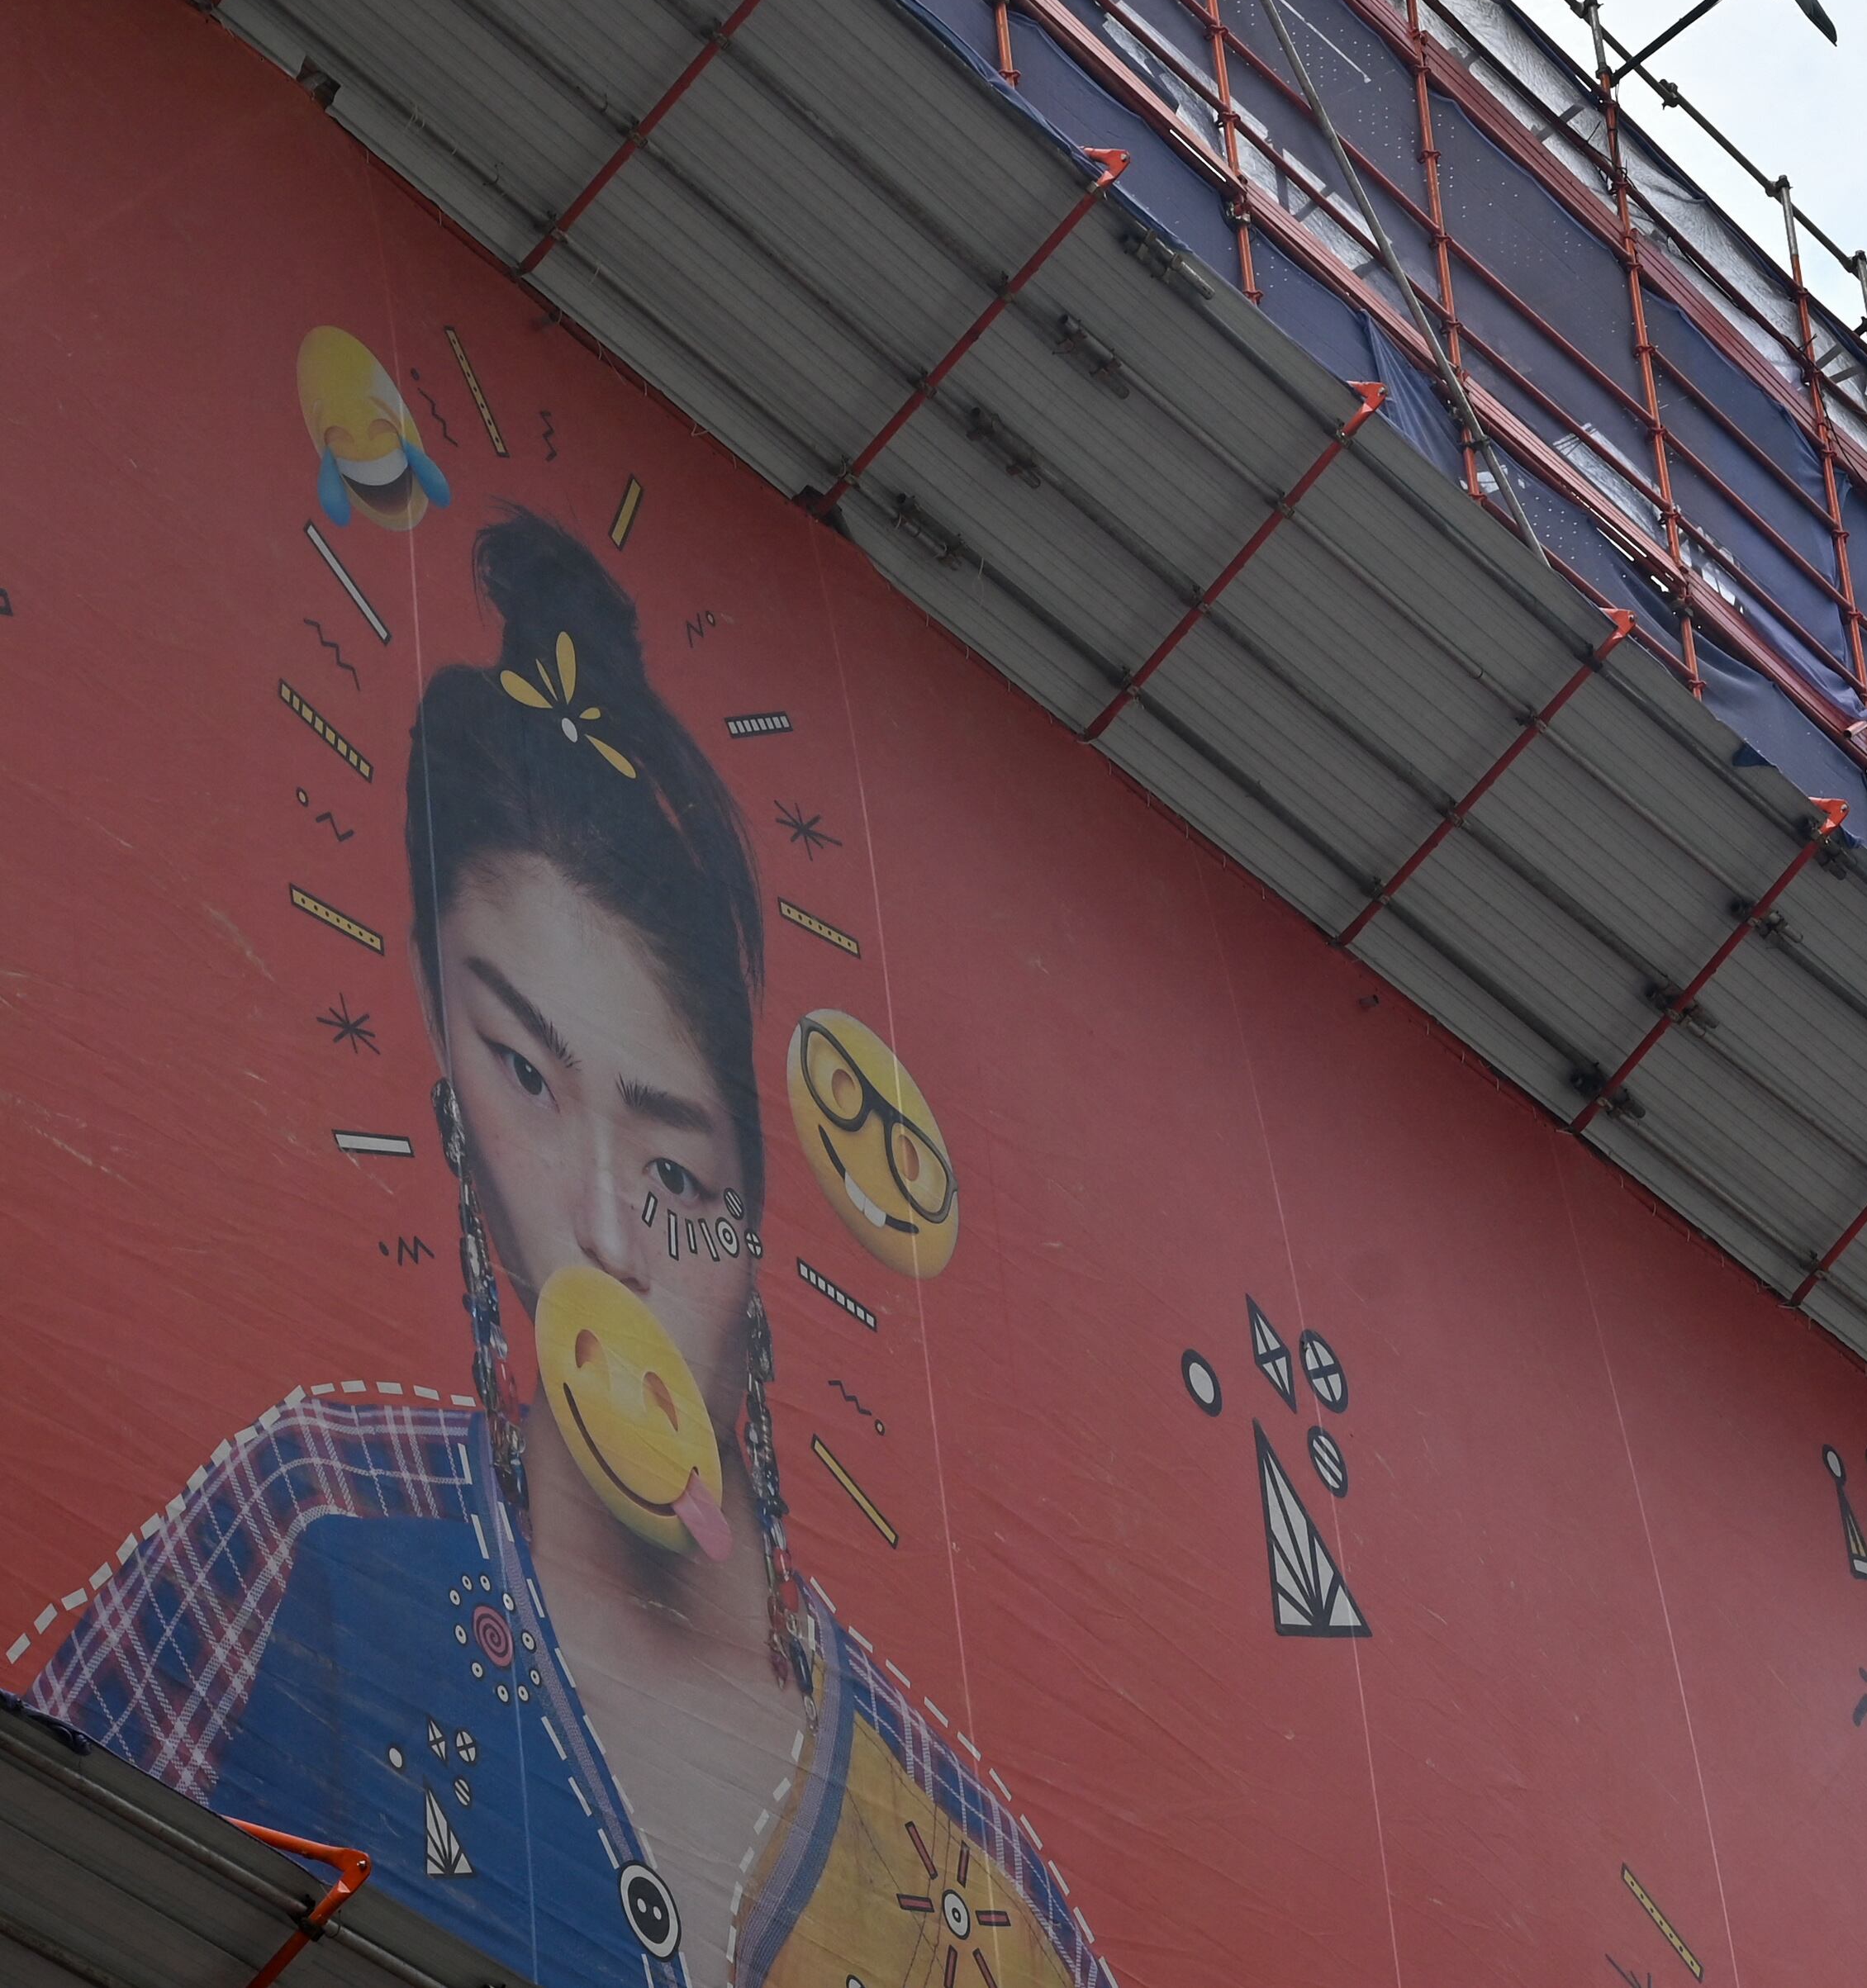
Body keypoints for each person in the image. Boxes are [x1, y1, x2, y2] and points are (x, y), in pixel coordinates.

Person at [35, 512, 1112, 1988]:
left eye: (672, 1163)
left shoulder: (964, 1870)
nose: (604, 1229)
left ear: (755, 1202)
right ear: (448, 1072)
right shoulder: (316, 1518)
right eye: (525, 1076)